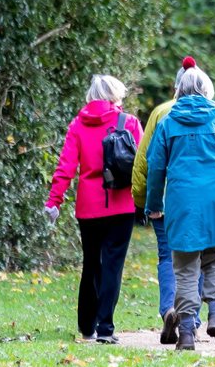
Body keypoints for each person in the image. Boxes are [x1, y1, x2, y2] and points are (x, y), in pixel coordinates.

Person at [132, 56, 215, 347]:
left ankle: (187, 332)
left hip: (182, 204)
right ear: (207, 88)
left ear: (178, 90)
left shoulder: (167, 124)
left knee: (185, 268)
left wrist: (152, 205)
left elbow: (156, 169)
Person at [44, 74, 143, 344]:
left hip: (88, 207)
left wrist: (54, 201)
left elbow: (66, 167)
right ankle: (106, 329)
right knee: (112, 266)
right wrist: (148, 199)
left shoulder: (78, 125)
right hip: (121, 204)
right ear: (114, 95)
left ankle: (86, 328)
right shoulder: (130, 123)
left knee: (91, 265)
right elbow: (142, 165)